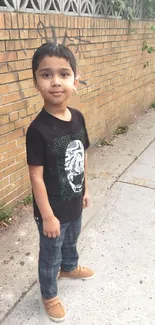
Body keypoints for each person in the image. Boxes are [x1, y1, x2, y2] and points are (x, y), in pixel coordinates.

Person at [26, 42, 94, 323]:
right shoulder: (38, 130)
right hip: (52, 211)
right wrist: (48, 216)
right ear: (36, 83)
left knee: (72, 241)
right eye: (46, 74)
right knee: (49, 255)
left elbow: (83, 155)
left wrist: (85, 189)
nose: (56, 81)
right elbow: (36, 178)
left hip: (74, 201)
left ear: (75, 82)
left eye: (64, 74)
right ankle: (49, 294)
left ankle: (70, 267)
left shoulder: (77, 117)